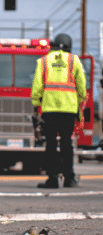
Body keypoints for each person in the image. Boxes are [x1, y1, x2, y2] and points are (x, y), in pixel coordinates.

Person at [31, 33, 87, 188]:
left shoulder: (43, 61)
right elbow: (82, 83)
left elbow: (37, 86)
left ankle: (53, 179)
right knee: (66, 143)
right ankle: (69, 179)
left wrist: (36, 103)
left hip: (49, 110)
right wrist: (81, 98)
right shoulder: (73, 60)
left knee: (50, 144)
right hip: (69, 109)